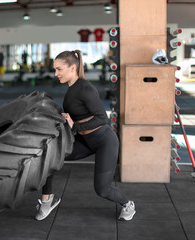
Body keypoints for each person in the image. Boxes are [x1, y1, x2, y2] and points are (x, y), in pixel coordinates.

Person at [35, 49, 136, 222]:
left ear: (73, 68)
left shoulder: (85, 88)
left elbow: (102, 118)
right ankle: (47, 200)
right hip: (86, 140)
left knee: (102, 190)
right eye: (55, 69)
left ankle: (128, 204)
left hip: (105, 142)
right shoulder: (71, 89)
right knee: (50, 156)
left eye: (59, 69)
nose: (55, 73)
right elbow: (74, 115)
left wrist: (75, 125)